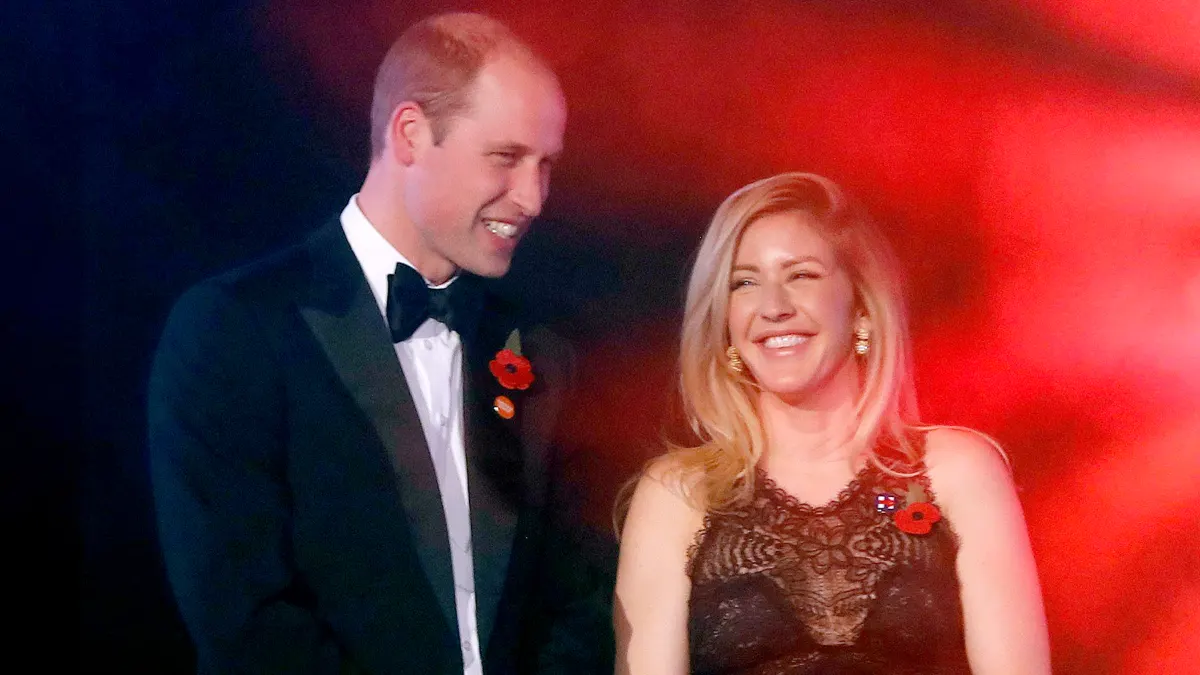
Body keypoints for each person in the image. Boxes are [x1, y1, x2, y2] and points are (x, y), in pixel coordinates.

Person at [149, 13, 607, 674]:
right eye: (506, 158)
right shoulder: (235, 329)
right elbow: (247, 621)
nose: (533, 198)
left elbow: (579, 593)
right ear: (410, 134)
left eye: (546, 166)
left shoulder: (540, 349)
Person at [614, 173, 1050, 674]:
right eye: (744, 283)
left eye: (801, 275)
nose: (773, 307)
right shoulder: (679, 494)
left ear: (861, 307)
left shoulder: (956, 470)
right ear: (725, 321)